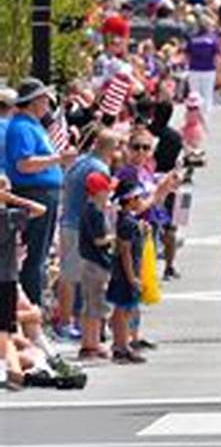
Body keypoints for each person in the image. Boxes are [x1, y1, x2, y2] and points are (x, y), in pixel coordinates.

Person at [4, 79, 76, 307]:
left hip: (45, 192)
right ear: (33, 102)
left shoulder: (33, 126)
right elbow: (23, 164)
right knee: (35, 254)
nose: (48, 103)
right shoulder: (22, 127)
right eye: (44, 99)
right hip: (34, 192)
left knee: (41, 253)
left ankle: (34, 305)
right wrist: (57, 159)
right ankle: (32, 305)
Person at [56, 130, 120, 338]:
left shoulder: (80, 161)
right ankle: (66, 323)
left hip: (68, 221)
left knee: (72, 275)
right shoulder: (99, 169)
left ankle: (73, 321)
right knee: (73, 276)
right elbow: (102, 202)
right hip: (80, 226)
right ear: (110, 148)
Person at [2, 175, 48, 389]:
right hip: (5, 278)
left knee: (7, 332)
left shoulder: (10, 215)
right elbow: (40, 209)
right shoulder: (9, 216)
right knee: (4, 331)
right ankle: (13, 372)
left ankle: (13, 370)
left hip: (8, 277)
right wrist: (14, 199)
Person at [107, 180, 149, 364]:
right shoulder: (127, 223)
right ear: (130, 200)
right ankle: (122, 346)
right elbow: (125, 251)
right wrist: (132, 277)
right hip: (125, 274)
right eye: (138, 197)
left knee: (122, 309)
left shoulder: (127, 221)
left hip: (123, 272)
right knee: (124, 311)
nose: (141, 200)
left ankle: (120, 344)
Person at [77, 171, 115, 361]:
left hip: (92, 262)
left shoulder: (92, 210)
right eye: (106, 190)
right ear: (98, 191)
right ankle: (89, 345)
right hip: (94, 263)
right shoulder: (94, 212)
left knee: (95, 305)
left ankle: (93, 342)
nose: (108, 194)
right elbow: (99, 240)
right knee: (93, 305)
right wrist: (114, 238)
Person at [147, 101, 186, 279]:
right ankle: (170, 267)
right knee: (172, 228)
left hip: (149, 182)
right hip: (172, 183)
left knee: (151, 226)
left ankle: (149, 267)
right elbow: (182, 163)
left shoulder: (146, 134)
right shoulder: (175, 137)